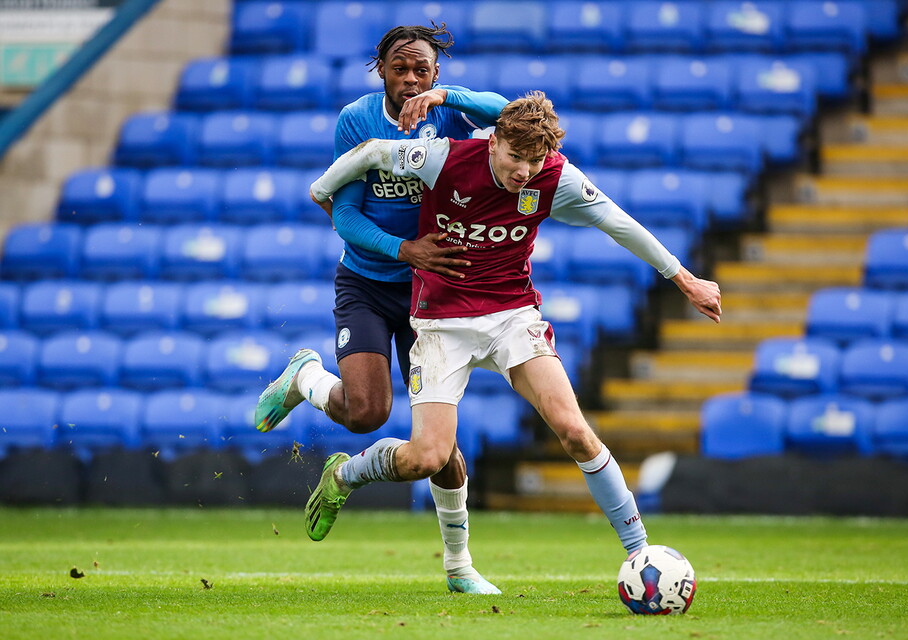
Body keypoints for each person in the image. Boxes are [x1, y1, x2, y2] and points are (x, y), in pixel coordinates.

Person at [300, 92, 723, 580]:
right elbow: (374, 151)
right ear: (492, 141)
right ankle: (345, 474)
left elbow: (617, 223)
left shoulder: (556, 176)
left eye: (535, 159)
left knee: (575, 432)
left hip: (513, 318)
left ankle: (639, 552)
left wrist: (684, 278)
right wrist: (321, 187)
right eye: (515, 157)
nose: (524, 170)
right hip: (441, 323)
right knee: (427, 457)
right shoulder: (444, 158)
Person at [254, 24, 507, 595]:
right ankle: (307, 378)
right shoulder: (357, 122)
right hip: (368, 282)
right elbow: (342, 216)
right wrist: (405, 249)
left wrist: (450, 98)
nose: (411, 78)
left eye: (422, 69)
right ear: (382, 71)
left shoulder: (451, 114)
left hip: (431, 297)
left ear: (436, 73)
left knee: (438, 446)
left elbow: (512, 112)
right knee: (367, 413)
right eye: (400, 68)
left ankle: (459, 566)